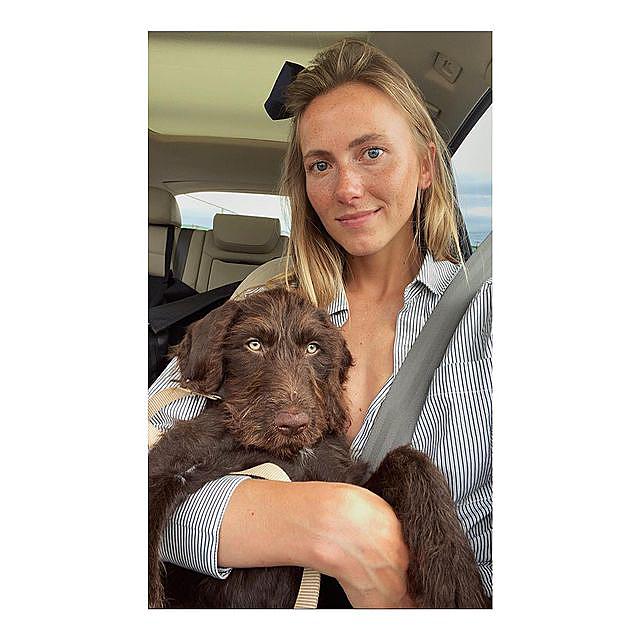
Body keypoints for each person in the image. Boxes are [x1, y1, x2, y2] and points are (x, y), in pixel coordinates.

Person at [148, 39, 492, 608]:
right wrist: (318, 523)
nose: (347, 188)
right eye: (321, 164)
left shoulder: (488, 313)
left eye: (372, 152)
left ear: (427, 165)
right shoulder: (266, 297)